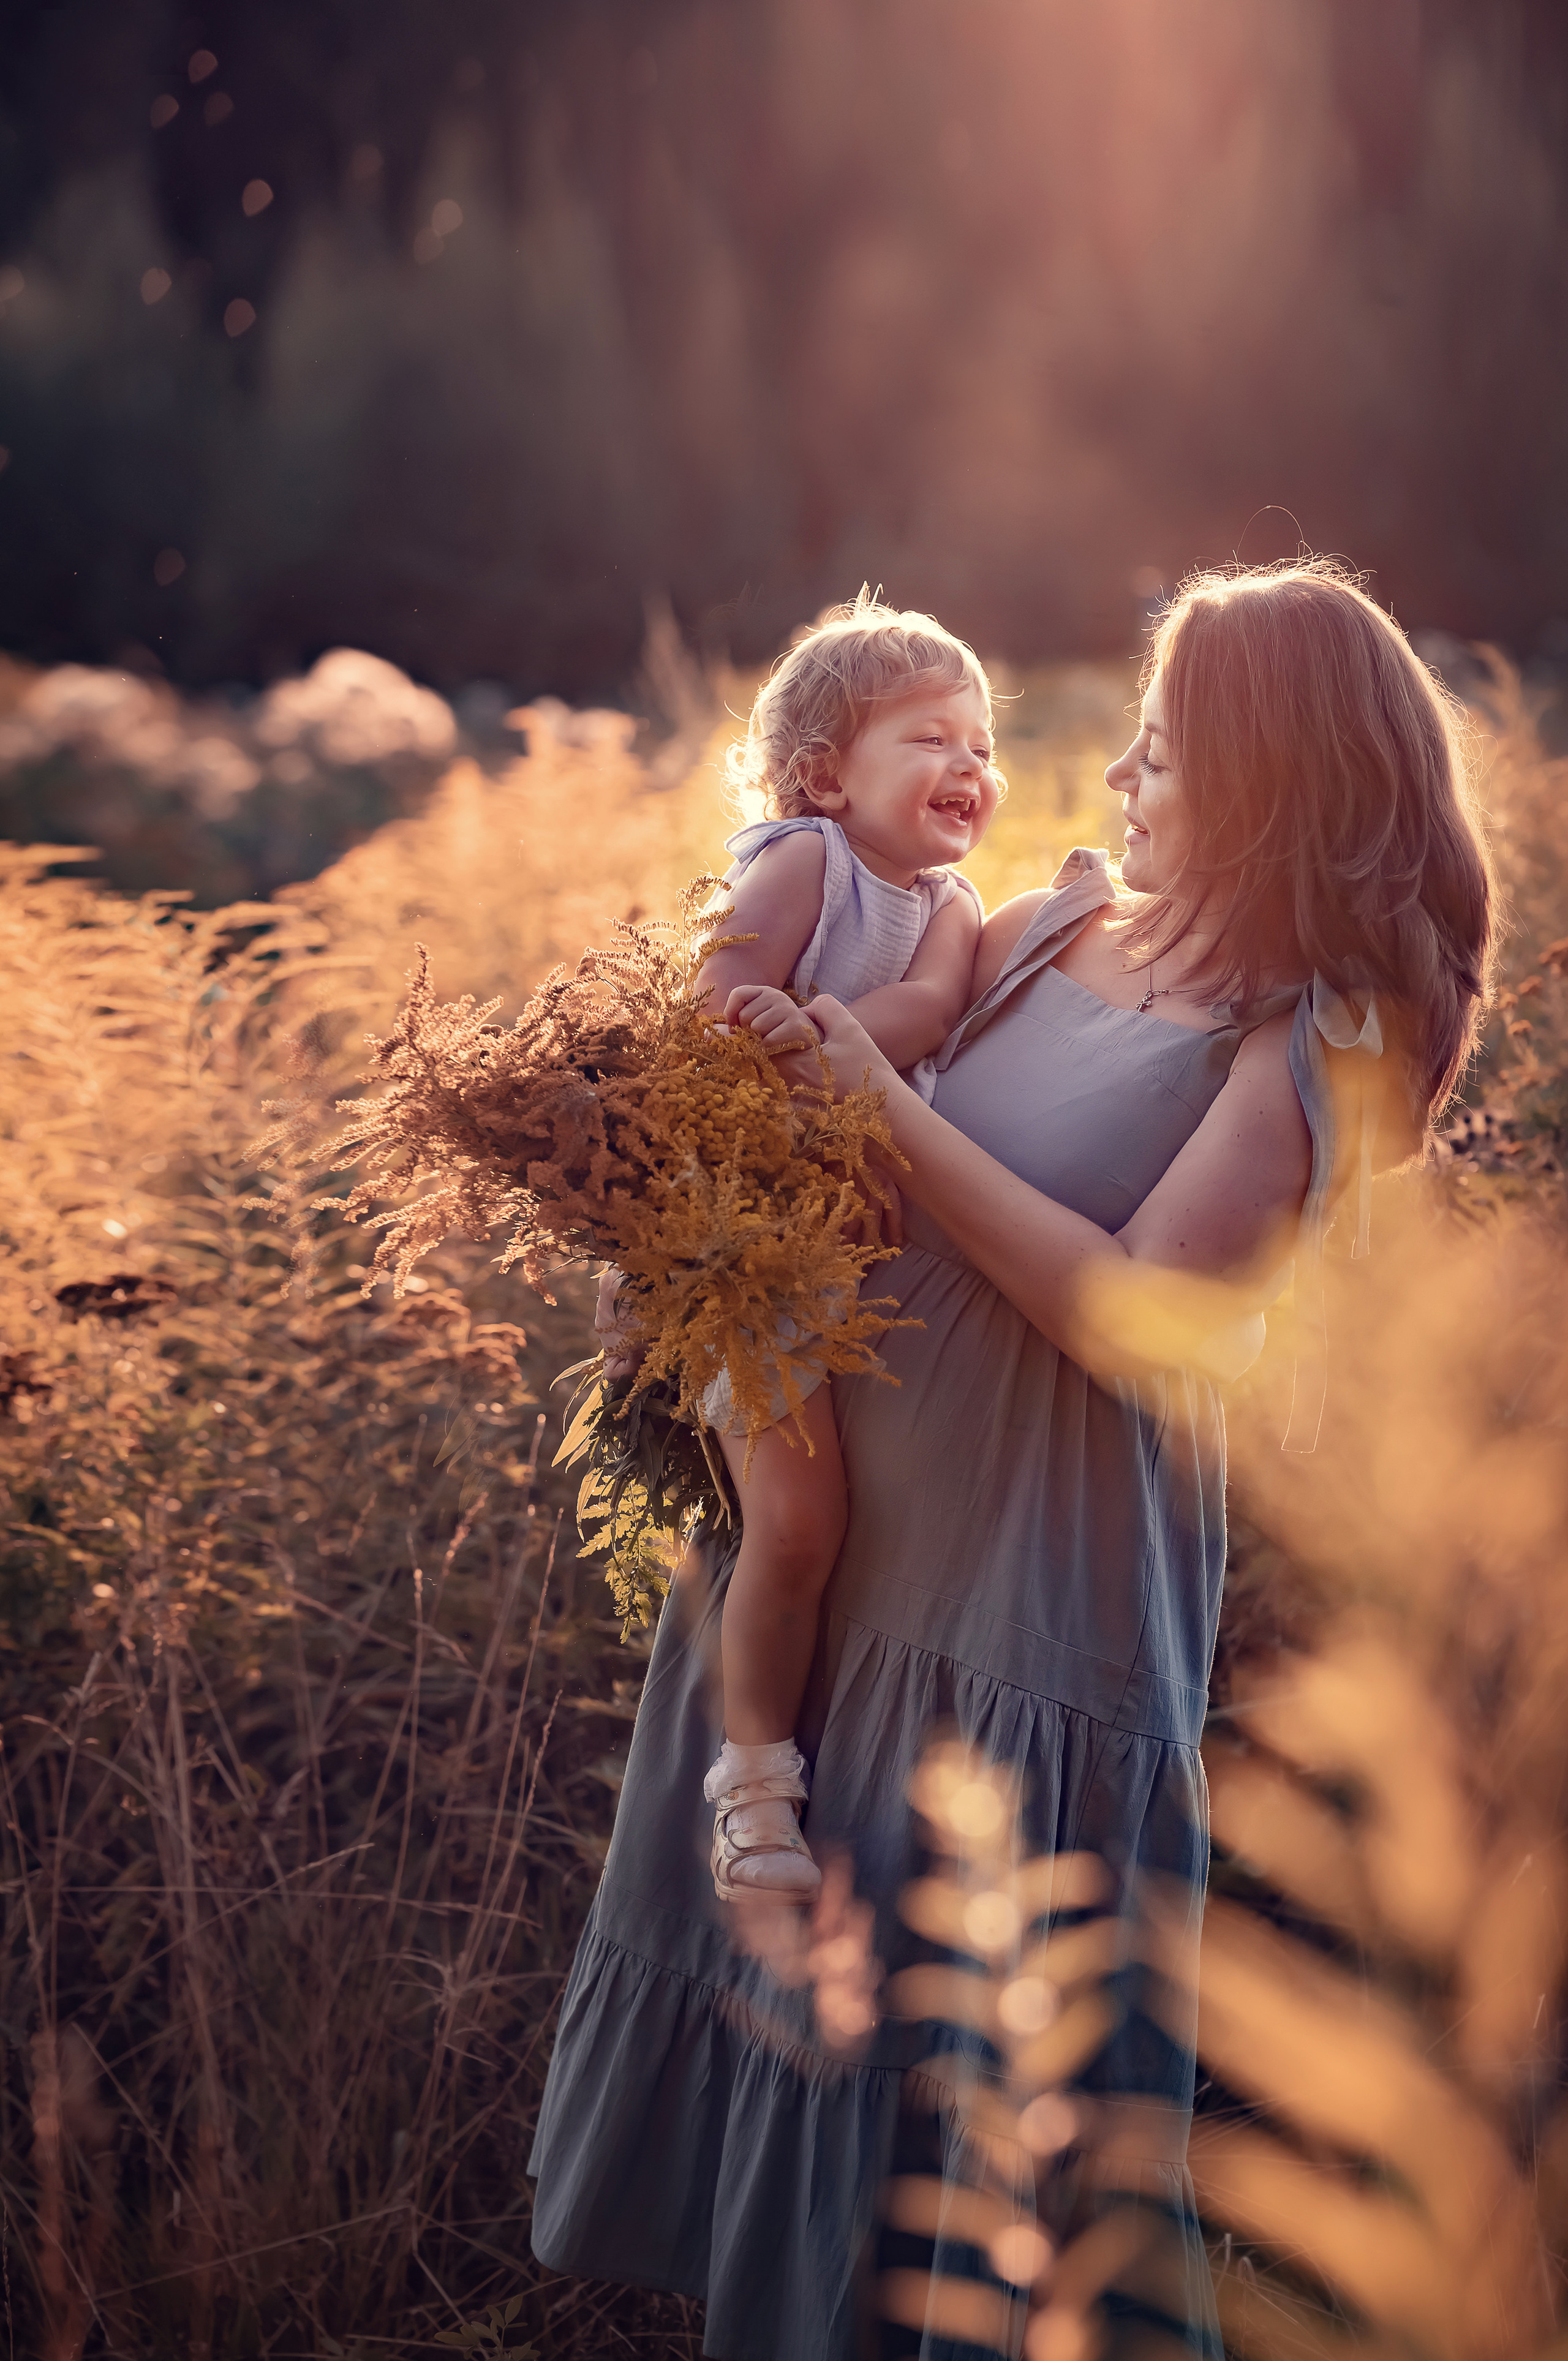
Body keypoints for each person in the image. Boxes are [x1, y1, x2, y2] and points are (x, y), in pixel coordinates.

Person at [529, 560, 1494, 2360]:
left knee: (986, 2192)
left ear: (1267, 774)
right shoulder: (1056, 930)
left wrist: (872, 1103)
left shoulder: (1302, 1041)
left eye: (1160, 751)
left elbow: (1140, 1313)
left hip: (1024, 1635)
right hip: (843, 1583)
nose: (1120, 784)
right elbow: (840, 1150)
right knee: (808, 2158)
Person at [665, 592, 1001, 1907]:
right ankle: (752, 1791)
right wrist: (772, 1029)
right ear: (822, 773)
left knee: (866, 1524)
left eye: (979, 741)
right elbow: (708, 1003)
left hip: (865, 1261)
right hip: (755, 1250)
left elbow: (925, 1007)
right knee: (798, 1524)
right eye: (930, 737)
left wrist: (835, 1036)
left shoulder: (952, 903)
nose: (968, 765)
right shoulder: (807, 861)